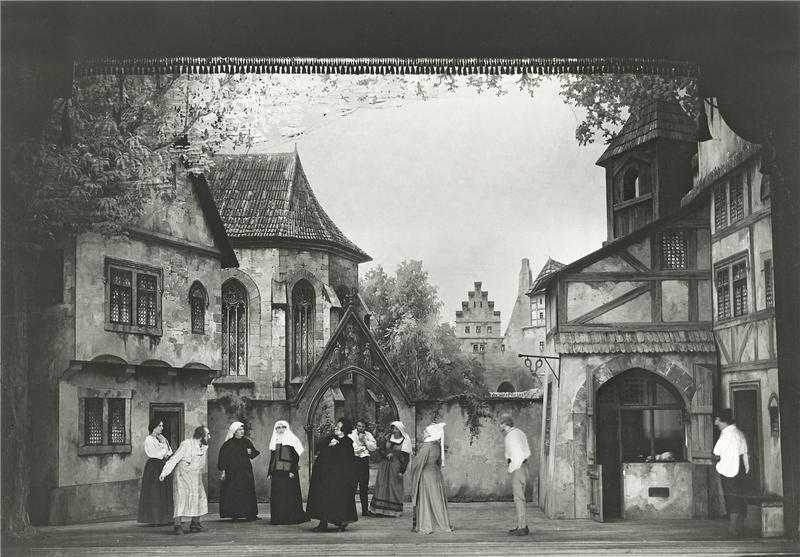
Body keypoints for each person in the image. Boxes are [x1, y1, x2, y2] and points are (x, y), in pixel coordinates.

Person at [306, 418, 359, 532]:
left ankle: (341, 522)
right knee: (323, 498)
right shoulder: (330, 438)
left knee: (337, 499)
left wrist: (338, 446)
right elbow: (319, 447)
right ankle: (322, 523)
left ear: (344, 430)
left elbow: (347, 461)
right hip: (325, 475)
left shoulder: (347, 443)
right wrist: (329, 443)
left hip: (339, 477)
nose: (335, 428)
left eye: (338, 427)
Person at [159, 425, 211, 535]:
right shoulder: (186, 444)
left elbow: (201, 463)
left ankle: (195, 523)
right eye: (207, 435)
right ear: (201, 436)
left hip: (195, 475)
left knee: (199, 498)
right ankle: (177, 525)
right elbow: (175, 458)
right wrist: (164, 472)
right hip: (182, 475)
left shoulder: (204, 447)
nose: (209, 437)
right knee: (181, 499)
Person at [713, 408, 750, 537]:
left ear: (723, 421)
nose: (715, 423)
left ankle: (733, 529)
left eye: (717, 420)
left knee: (732, 498)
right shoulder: (739, 433)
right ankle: (740, 527)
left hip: (729, 469)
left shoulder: (727, 436)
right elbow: (744, 452)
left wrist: (716, 459)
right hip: (741, 469)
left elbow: (716, 453)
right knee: (740, 497)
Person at [411, 422, 452, 534]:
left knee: (427, 499)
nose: (423, 433)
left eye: (425, 431)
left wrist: (414, 466)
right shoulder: (436, 445)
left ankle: (428, 523)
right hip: (435, 473)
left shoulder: (427, 446)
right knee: (436, 498)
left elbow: (417, 462)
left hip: (427, 474)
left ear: (430, 433)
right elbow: (438, 461)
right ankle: (440, 522)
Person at [217, 421, 261, 521]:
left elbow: (253, 454)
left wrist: (250, 453)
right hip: (233, 473)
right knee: (234, 493)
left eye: (242, 429)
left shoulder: (246, 442)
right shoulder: (228, 444)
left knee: (247, 492)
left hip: (245, 472)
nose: (242, 431)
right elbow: (223, 459)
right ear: (234, 431)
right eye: (239, 429)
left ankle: (250, 514)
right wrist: (223, 471)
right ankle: (235, 515)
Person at [268, 420, 309, 525]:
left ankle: (290, 518)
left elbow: (296, 457)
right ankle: (278, 518)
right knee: (278, 495)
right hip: (277, 471)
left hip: (289, 472)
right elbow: (272, 458)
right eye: (278, 427)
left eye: (283, 427)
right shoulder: (274, 440)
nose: (280, 429)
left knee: (289, 495)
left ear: (286, 428)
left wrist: (292, 470)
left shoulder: (292, 439)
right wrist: (270, 472)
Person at [369, 420, 412, 517]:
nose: (394, 430)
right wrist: (385, 454)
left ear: (400, 430)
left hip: (395, 465)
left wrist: (402, 471)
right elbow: (381, 449)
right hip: (384, 465)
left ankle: (394, 510)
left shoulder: (405, 440)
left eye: (396, 428)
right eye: (393, 428)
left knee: (394, 486)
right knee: (382, 485)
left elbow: (405, 457)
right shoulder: (388, 437)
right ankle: (379, 510)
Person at [137, 418, 174, 525]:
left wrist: (164, 443)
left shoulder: (162, 438)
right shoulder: (149, 439)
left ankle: (166, 518)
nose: (162, 428)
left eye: (162, 425)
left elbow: (169, 452)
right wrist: (163, 445)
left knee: (164, 492)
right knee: (155, 492)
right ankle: (154, 519)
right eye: (159, 426)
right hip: (153, 467)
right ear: (154, 427)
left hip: (162, 465)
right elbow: (155, 454)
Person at [499, 415, 531, 536]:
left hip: (518, 467)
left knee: (518, 498)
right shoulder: (520, 432)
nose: (499, 426)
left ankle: (522, 527)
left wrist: (511, 468)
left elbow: (517, 455)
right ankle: (522, 525)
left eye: (501, 424)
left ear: (505, 424)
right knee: (520, 497)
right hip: (525, 466)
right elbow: (526, 451)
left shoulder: (511, 436)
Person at [350, 418, 378, 517]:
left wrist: (364, 440)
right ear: (356, 426)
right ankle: (350, 511)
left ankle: (365, 510)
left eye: (362, 426)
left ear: (365, 427)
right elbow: (353, 449)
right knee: (352, 486)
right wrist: (363, 448)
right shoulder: (351, 435)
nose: (360, 428)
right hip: (354, 461)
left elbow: (373, 448)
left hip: (364, 462)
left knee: (364, 486)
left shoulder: (368, 435)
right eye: (359, 426)